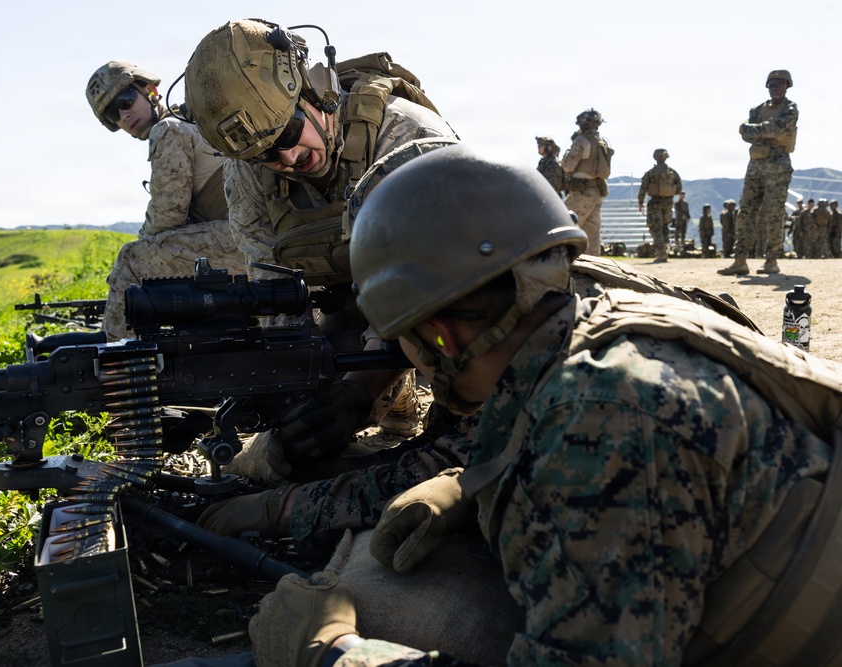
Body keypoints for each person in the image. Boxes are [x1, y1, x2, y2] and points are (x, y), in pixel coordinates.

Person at [245, 144, 842, 667]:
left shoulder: (601, 418)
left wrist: (330, 652)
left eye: (396, 333)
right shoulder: (602, 337)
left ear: (440, 336)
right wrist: (467, 486)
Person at [182, 19, 460, 470]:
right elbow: (271, 283)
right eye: (268, 154)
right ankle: (391, 392)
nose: (289, 159)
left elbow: (444, 286)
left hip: (443, 306)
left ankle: (395, 385)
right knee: (299, 431)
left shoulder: (409, 137)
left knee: (460, 441)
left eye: (290, 135)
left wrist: (360, 388)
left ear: (316, 92)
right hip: (352, 309)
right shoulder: (249, 175)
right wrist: (285, 379)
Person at [86, 60, 247, 340]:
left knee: (132, 259)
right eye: (113, 114)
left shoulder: (169, 129)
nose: (123, 115)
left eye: (125, 100)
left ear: (150, 90)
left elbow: (166, 216)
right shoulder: (191, 121)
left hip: (246, 239)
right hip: (253, 238)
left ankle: (111, 362)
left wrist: (144, 245)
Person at [718, 70, 799, 276]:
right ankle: (740, 260)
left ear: (787, 86)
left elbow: (774, 129)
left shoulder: (790, 109)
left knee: (774, 213)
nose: (775, 88)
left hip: (778, 166)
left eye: (779, 84)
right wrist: (760, 131)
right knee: (745, 212)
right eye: (771, 85)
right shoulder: (757, 109)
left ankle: (771, 261)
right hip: (755, 164)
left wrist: (756, 131)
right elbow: (745, 132)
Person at [561, 109, 613, 255]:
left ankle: (563, 261)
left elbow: (567, 166)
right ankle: (594, 265)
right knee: (592, 232)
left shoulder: (581, 141)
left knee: (565, 223)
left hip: (582, 191)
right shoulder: (602, 142)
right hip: (597, 191)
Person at [637, 148, 682, 263]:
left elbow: (643, 188)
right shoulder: (672, 172)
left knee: (655, 227)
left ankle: (661, 253)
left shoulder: (651, 173)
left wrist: (640, 202)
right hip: (668, 203)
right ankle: (665, 251)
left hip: (655, 203)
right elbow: (679, 188)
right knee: (665, 227)